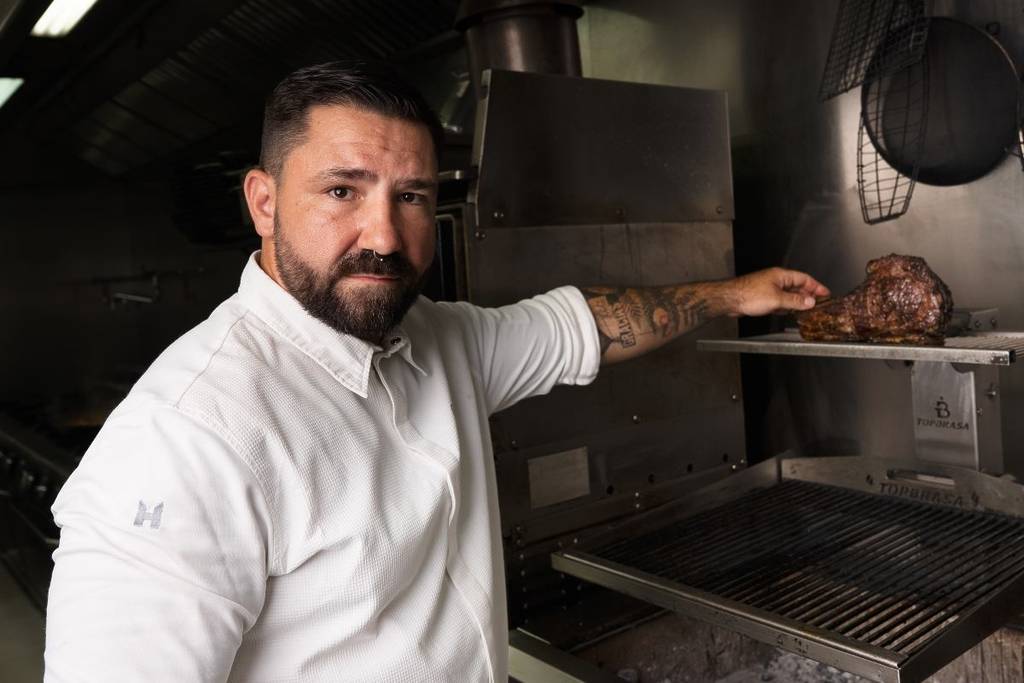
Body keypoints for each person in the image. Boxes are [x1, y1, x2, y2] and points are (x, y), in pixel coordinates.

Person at [43, 60, 828, 682]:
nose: (384, 235)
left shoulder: (438, 339)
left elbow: (586, 323)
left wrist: (737, 293)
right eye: (342, 190)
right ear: (264, 201)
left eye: (411, 195)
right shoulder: (185, 435)